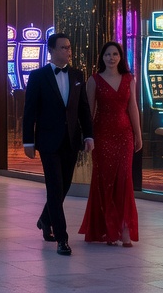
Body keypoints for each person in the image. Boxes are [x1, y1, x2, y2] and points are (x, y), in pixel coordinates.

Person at [21, 32, 94, 256]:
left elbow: (83, 108)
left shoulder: (77, 74)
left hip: (71, 140)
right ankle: (62, 238)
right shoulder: (38, 76)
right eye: (63, 48)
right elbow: (29, 111)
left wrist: (89, 136)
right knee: (54, 188)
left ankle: (44, 219)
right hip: (48, 140)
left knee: (64, 186)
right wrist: (28, 141)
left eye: (69, 47)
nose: (68, 51)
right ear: (51, 50)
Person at [78, 40, 142, 246]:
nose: (111, 58)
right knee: (105, 181)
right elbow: (89, 111)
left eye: (115, 54)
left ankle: (124, 229)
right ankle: (108, 228)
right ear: (102, 58)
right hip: (102, 135)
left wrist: (138, 135)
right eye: (107, 54)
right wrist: (88, 137)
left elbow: (132, 108)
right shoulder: (94, 80)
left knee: (124, 181)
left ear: (120, 57)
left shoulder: (129, 79)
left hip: (125, 135)